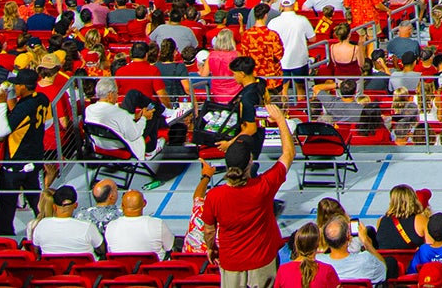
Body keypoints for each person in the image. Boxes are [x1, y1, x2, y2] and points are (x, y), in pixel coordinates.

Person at [199, 103, 300, 288]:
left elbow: (209, 230)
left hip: (231, 263)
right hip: (262, 261)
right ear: (250, 163)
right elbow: (288, 153)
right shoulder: (263, 186)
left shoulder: (214, 195)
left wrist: (211, 248)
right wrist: (280, 121)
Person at [29, 186, 104, 257]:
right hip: (82, 269)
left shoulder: (41, 225)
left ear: (54, 207)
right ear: (75, 205)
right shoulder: (88, 227)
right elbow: (102, 250)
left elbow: (36, 251)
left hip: (55, 270)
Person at [108, 187, 179, 258]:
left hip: (124, 268)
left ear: (122, 206)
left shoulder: (111, 226)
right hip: (154, 268)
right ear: (144, 203)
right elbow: (169, 247)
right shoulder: (157, 224)